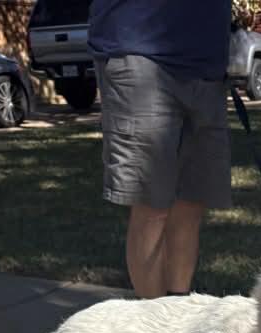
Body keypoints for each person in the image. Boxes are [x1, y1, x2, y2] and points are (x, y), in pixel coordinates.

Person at [88, 0, 232, 298]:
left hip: (206, 63)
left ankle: (176, 315)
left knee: (192, 203)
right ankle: (152, 327)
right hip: (140, 48)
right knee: (152, 206)